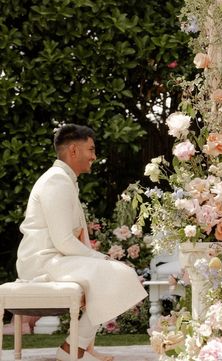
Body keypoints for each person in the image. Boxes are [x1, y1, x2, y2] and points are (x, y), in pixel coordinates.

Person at [16, 124, 147, 361]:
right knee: (117, 273)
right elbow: (64, 241)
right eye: (91, 149)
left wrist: (99, 261)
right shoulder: (56, 180)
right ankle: (72, 350)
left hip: (57, 259)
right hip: (43, 262)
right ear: (74, 151)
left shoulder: (64, 179)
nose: (94, 157)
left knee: (116, 274)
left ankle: (78, 347)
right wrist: (103, 259)